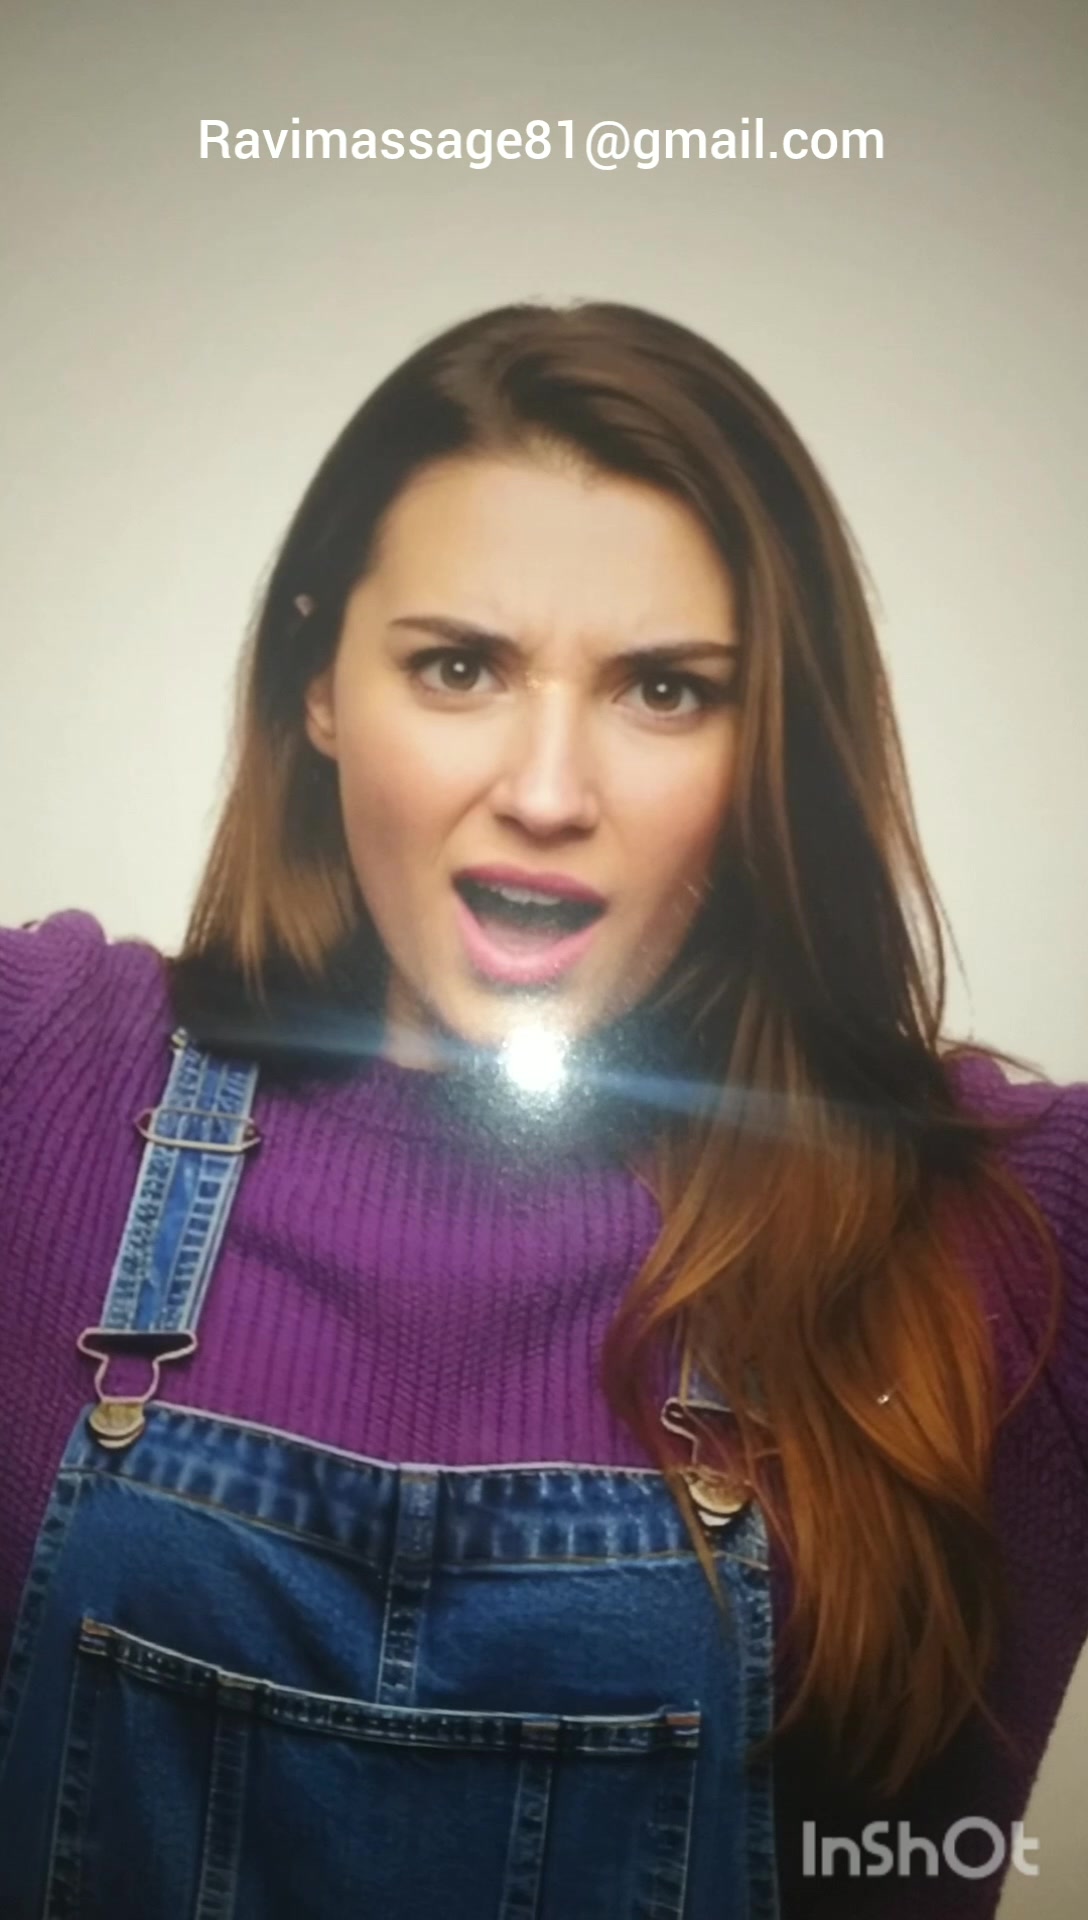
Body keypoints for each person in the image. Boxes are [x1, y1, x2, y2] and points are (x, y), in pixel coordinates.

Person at [0, 299, 1084, 1920]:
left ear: (771, 745)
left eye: (666, 691)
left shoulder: (1008, 1227)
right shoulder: (38, 1072)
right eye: (459, 667)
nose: (549, 791)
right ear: (318, 686)